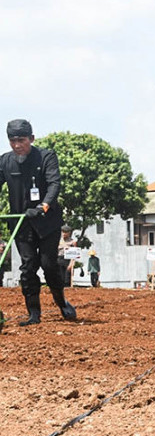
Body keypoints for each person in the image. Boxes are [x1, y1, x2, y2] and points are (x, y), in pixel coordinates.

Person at [0, 119, 76, 326]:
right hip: (21, 223)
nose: (17, 145)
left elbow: (54, 184)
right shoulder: (5, 161)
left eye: (21, 140)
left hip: (46, 222)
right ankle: (34, 313)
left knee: (48, 264)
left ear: (31, 139)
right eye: (12, 140)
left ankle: (62, 303)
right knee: (28, 266)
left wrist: (44, 205)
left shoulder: (46, 157)